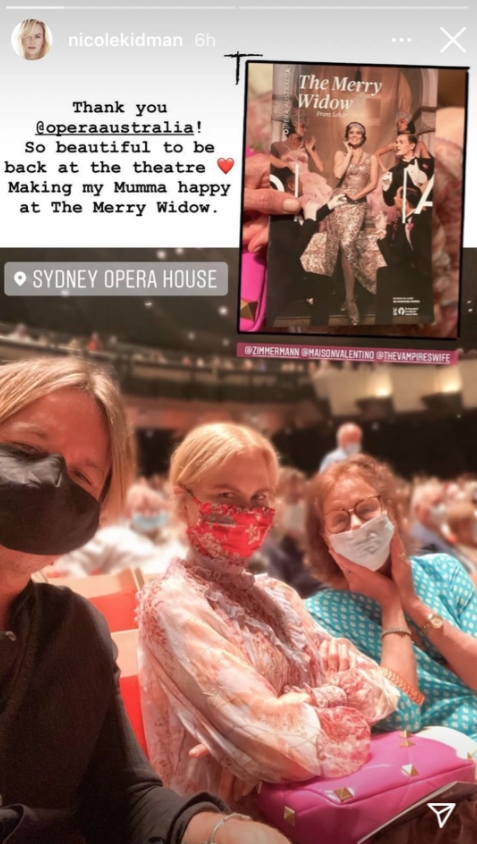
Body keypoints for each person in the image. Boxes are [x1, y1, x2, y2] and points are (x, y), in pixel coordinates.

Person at [0, 357, 290, 844]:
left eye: (82, 476)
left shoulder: (75, 628)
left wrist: (222, 833)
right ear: (184, 501)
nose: (51, 482)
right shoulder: (171, 600)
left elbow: (121, 793)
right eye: (27, 449)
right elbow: (274, 737)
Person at [137, 422, 398, 807]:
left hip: (317, 801)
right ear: (184, 501)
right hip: (230, 813)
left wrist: (251, 737)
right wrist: (258, 739)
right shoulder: (172, 601)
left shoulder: (279, 596)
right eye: (226, 495)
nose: (246, 513)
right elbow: (277, 748)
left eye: (259, 497)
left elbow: (383, 691)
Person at [305, 454, 477, 741]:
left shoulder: (443, 571)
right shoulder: (321, 616)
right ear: (325, 539)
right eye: (340, 519)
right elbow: (402, 717)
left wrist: (413, 603)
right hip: (450, 759)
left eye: (366, 509)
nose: (357, 524)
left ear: (391, 511)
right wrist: (390, 602)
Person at [266, 167, 346, 326]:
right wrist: (309, 220)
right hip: (278, 284)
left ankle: (317, 330)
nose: (304, 184)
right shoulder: (278, 216)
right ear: (291, 185)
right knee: (267, 317)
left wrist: (330, 205)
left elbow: (308, 218)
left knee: (325, 284)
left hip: (291, 277)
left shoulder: (289, 210)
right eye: (300, 181)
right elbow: (295, 251)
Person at [53, 482, 186, 578]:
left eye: (155, 507)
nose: (148, 513)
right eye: (141, 508)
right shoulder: (114, 536)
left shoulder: (177, 545)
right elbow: (70, 564)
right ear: (128, 511)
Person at [326, 122, 379, 325]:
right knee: (341, 248)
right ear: (347, 135)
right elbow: (339, 174)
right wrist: (348, 152)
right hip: (339, 202)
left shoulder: (371, 157)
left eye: (359, 133)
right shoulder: (340, 154)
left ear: (363, 137)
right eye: (352, 133)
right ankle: (349, 297)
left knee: (348, 244)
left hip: (357, 204)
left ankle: (350, 299)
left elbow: (373, 183)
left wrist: (356, 195)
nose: (355, 135)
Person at [375, 185, 433, 324]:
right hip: (417, 272)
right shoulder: (404, 222)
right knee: (384, 273)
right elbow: (396, 259)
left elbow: (394, 261)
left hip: (429, 277)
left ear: (405, 201)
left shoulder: (423, 221)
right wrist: (384, 233)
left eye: (397, 195)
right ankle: (382, 326)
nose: (394, 198)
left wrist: (382, 233)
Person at [263, 468, 320, 598]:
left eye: (303, 497)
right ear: (272, 504)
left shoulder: (320, 540)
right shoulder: (268, 549)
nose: (300, 504)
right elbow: (278, 602)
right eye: (293, 498)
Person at [270, 110, 331, 208]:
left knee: (311, 211)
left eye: (306, 128)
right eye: (303, 126)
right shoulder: (277, 146)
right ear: (292, 125)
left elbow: (321, 168)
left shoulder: (307, 146)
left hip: (310, 184)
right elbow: (271, 165)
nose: (305, 130)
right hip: (290, 182)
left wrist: (310, 150)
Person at [382, 134, 434, 208]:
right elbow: (389, 202)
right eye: (396, 142)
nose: (397, 145)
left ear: (412, 146)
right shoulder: (393, 172)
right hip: (411, 214)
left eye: (401, 142)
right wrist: (385, 186)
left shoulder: (428, 163)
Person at [409, 480, 456, 556]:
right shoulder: (421, 542)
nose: (442, 508)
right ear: (417, 509)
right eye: (436, 503)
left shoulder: (437, 532)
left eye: (444, 502)